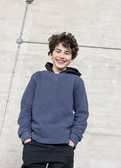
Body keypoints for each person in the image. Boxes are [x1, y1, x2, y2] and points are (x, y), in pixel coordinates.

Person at [17, 32, 89, 168]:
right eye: (58, 51)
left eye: (67, 53)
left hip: (63, 147)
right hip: (34, 144)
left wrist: (73, 139)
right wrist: (26, 136)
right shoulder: (37, 78)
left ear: (72, 58)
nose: (61, 56)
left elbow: (82, 113)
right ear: (51, 54)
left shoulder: (76, 81)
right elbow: (25, 108)